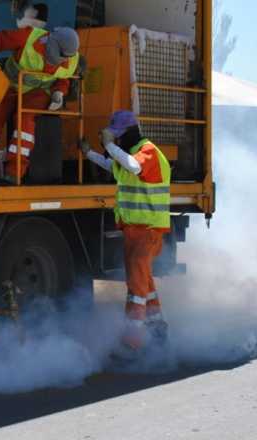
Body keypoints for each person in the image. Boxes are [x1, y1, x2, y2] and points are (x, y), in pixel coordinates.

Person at [81, 110, 171, 358]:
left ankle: (132, 341)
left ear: (128, 134)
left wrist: (109, 144)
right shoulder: (133, 153)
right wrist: (90, 153)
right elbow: (115, 166)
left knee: (136, 285)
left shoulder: (148, 152)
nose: (117, 142)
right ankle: (157, 328)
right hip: (135, 231)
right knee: (145, 282)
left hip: (148, 231)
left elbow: (131, 166)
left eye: (119, 137)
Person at [0, 26, 80, 182]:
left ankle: (14, 172)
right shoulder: (29, 37)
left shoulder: (72, 59)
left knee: (25, 119)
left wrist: (59, 93)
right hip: (10, 87)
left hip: (38, 93)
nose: (63, 60)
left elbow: (64, 79)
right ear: (51, 41)